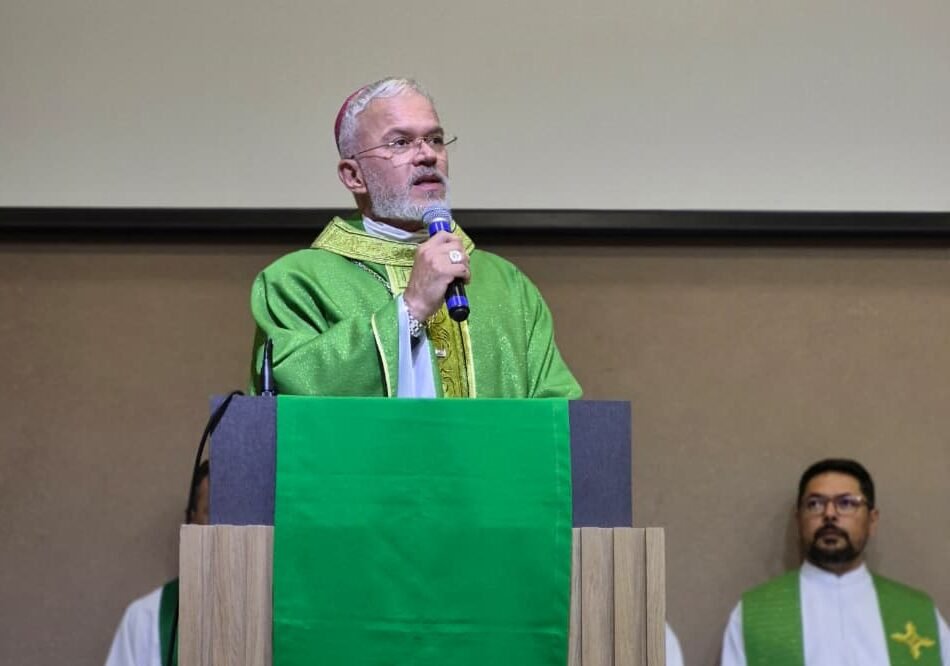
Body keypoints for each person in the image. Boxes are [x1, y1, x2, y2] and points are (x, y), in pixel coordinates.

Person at [249, 77, 580, 399]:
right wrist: (411, 309)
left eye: (435, 139)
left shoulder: (508, 284)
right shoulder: (296, 282)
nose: (427, 155)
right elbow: (291, 395)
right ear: (354, 176)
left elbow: (556, 416)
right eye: (400, 142)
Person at [721, 458, 950, 666]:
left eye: (847, 503)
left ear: (872, 520)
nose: (829, 514)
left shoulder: (917, 612)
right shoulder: (756, 613)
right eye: (815, 504)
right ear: (798, 519)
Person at [104, 461, 210, 666]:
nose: (228, 525)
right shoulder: (145, 618)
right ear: (190, 521)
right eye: (212, 510)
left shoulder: (274, 617)